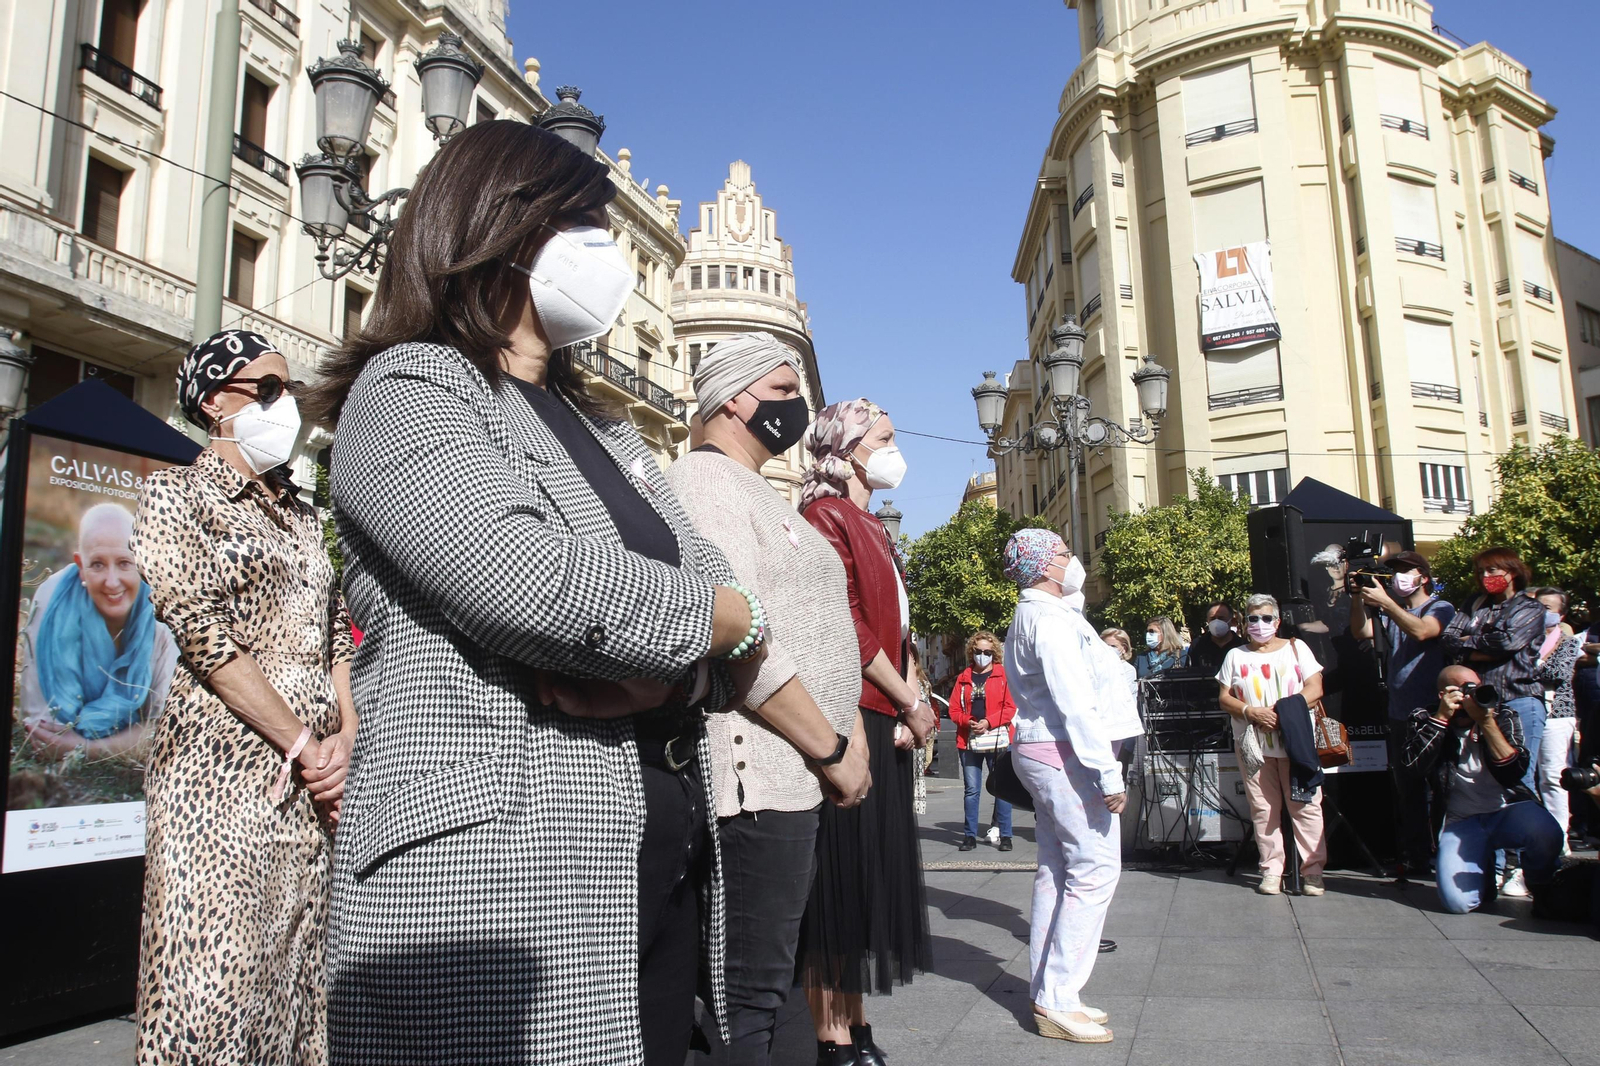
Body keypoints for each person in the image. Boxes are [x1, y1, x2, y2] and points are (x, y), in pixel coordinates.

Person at [309, 122, 770, 1065]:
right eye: (590, 227)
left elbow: (705, 579)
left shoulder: (601, 424)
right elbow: (529, 581)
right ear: (506, 228)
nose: (609, 258)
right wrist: (720, 624)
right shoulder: (411, 386)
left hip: (648, 855)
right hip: (491, 874)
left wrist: (684, 665)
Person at [129, 329, 357, 1064]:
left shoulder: (303, 513)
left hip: (313, 788)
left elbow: (336, 639)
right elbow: (205, 636)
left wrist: (343, 743)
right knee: (214, 995)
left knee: (295, 988)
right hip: (222, 780)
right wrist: (302, 741)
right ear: (212, 401)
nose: (283, 405)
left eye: (287, 390)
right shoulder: (174, 495)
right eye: (265, 390)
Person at [662, 333, 869, 1066]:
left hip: (799, 776)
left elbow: (822, 631)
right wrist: (832, 746)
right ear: (731, 399)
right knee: (746, 1001)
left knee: (776, 990)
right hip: (755, 781)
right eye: (782, 391)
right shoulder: (706, 482)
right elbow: (738, 633)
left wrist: (846, 731)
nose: (797, 407)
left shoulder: (756, 487)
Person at [796, 398, 935, 1066]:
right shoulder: (824, 516)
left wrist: (913, 693)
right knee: (838, 879)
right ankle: (831, 1035)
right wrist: (908, 698)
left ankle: (854, 1021)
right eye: (883, 437)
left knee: (865, 880)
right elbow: (844, 624)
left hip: (884, 712)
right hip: (851, 714)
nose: (893, 449)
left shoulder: (870, 523)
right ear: (847, 445)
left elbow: (894, 628)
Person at [1001, 529, 1122, 1044]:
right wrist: (1108, 772)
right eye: (1066, 553)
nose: (1074, 561)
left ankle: (1051, 991)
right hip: (1064, 753)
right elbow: (1076, 702)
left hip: (1043, 750)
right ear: (1047, 567)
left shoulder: (1040, 615)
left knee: (1057, 867)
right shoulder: (1047, 620)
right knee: (1094, 868)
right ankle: (1057, 995)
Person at [19, 503, 178, 760]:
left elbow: (168, 730)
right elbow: (39, 728)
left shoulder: (164, 611)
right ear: (80, 566)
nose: (112, 581)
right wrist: (129, 740)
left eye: (125, 563)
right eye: (97, 565)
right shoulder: (52, 599)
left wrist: (84, 750)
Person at [1401, 666, 1564, 914]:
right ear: (1444, 694)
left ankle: (1542, 886)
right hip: (1461, 819)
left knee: (1547, 833)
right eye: (1464, 690)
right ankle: (1484, 868)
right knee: (1457, 904)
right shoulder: (1425, 717)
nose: (1472, 696)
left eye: (1476, 688)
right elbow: (1413, 767)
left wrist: (1486, 722)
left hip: (1507, 810)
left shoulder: (1501, 715)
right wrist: (1442, 718)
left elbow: (1514, 770)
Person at [1441, 547, 1546, 897]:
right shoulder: (1473, 603)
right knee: (1480, 781)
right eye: (1482, 570)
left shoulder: (1529, 607)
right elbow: (1448, 640)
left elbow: (1509, 641)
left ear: (1514, 571)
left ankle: (1519, 867)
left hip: (1517, 700)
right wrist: (1476, 648)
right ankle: (1490, 866)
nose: (1487, 577)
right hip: (1475, 704)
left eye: (1495, 569)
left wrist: (1469, 644)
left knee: (1517, 779)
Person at [1347, 551, 1456, 877]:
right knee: (1408, 790)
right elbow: (1360, 632)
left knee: (1442, 788)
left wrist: (1388, 604)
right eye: (1393, 573)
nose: (1398, 579)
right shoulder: (1390, 613)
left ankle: (1447, 856)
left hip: (1435, 713)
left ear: (1423, 576)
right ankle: (1417, 858)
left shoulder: (1440, 607)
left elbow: (1424, 631)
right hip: (1400, 714)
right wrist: (1357, 599)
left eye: (1406, 572)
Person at [1216, 593, 1329, 896]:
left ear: (1277, 621)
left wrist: (1283, 713)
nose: (1260, 624)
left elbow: (1316, 687)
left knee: (1305, 807)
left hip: (1296, 743)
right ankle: (1271, 871)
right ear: (1245, 622)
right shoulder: (1235, 656)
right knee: (1263, 810)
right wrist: (1250, 712)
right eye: (1254, 618)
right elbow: (1224, 697)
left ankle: (1313, 872)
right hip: (1254, 746)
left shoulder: (1296, 648)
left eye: (1266, 618)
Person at [948, 630, 1016, 852]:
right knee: (972, 790)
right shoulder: (963, 678)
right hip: (968, 740)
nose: (982, 655)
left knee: (1002, 788)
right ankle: (969, 836)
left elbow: (1010, 708)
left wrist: (988, 722)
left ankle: (1006, 835)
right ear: (972, 652)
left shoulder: (1003, 676)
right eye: (978, 651)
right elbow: (954, 709)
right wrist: (968, 722)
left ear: (994, 653)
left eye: (987, 652)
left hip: (996, 738)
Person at [1533, 588, 1580, 854]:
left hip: (1557, 715)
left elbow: (1557, 672)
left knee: (1552, 777)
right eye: (1539, 606)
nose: (1543, 612)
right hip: (1526, 711)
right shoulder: (1525, 637)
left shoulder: (1568, 641)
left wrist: (1528, 668)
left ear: (1561, 614)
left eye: (1549, 608)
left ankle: (1559, 838)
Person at [1185, 602, 1245, 678]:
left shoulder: (1242, 645)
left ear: (1231, 621)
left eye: (1221, 618)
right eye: (1212, 619)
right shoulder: (1198, 645)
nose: (1216, 622)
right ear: (1207, 621)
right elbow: (1188, 673)